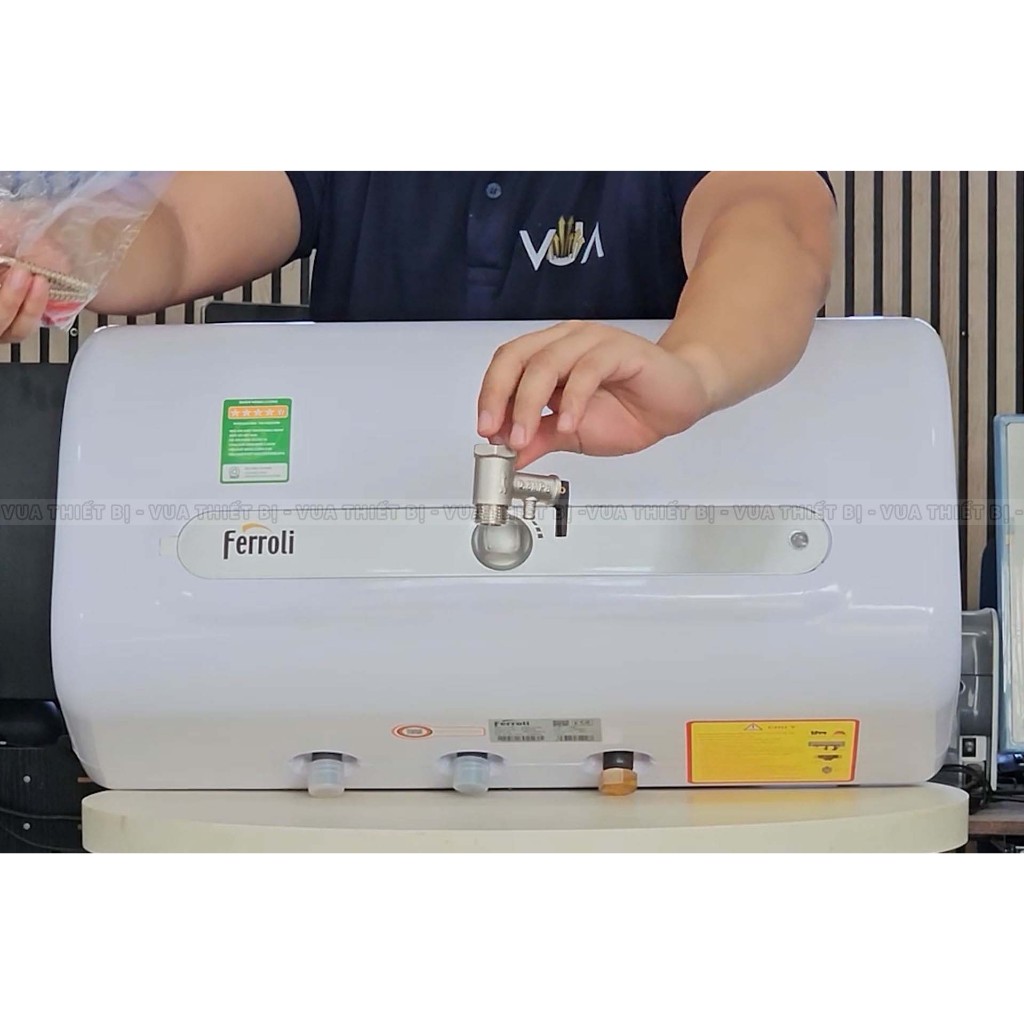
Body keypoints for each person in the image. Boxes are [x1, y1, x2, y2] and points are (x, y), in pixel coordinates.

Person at [0, 172, 836, 466]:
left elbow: (773, 231)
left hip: (657, 582)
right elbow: (179, 235)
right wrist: (52, 241)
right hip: (366, 572)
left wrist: (694, 369)